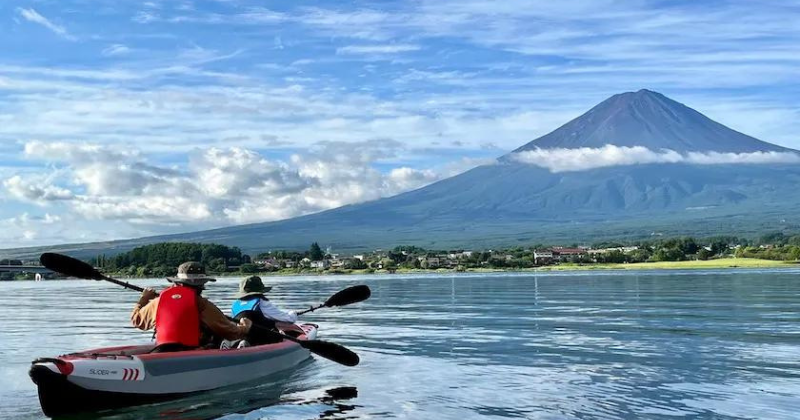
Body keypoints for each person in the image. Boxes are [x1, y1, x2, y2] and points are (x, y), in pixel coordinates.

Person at [131, 261, 252, 352]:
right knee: (224, 338)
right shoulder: (203, 305)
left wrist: (144, 299)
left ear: (176, 282)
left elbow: (137, 321)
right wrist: (245, 327)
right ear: (202, 284)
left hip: (162, 349)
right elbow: (232, 332)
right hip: (194, 351)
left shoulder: (158, 301)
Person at [228, 275, 298, 346]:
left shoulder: (235, 305)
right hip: (262, 339)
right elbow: (289, 319)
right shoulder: (262, 302)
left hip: (241, 337)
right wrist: (293, 314)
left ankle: (243, 342)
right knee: (287, 332)